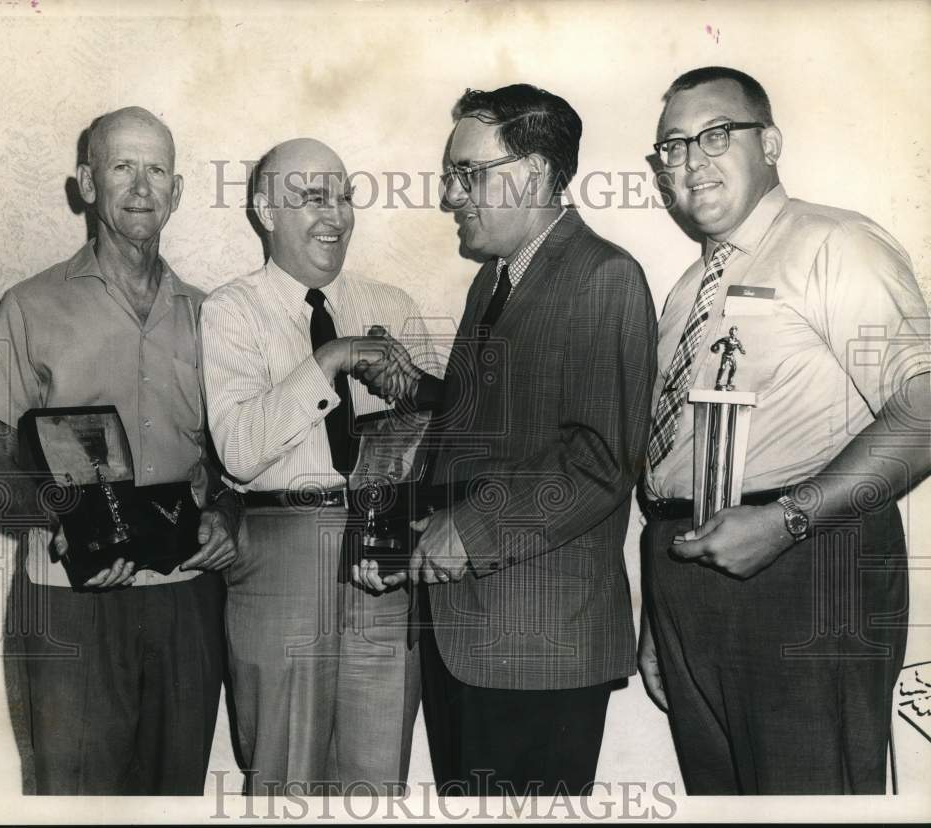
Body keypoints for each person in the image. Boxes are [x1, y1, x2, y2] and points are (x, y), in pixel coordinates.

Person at [355, 84, 658, 795]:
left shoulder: (606, 278)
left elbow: (600, 460)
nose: (449, 195)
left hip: (536, 649)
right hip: (464, 639)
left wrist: (464, 535)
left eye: (467, 173)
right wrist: (423, 391)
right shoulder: (491, 283)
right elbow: (506, 423)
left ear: (531, 173)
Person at [637, 66, 931, 794]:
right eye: (671, 147)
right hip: (690, 576)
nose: (689, 160)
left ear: (769, 142)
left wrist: (786, 522)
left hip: (806, 567)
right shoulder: (688, 289)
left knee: (812, 800)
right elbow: (673, 464)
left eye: (713, 135)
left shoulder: (834, 243)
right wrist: (661, 603)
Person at [0, 107, 240, 795]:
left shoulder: (215, 318)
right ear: (87, 183)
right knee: (74, 804)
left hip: (185, 603)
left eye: (157, 170)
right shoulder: (27, 308)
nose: (141, 186)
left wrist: (229, 516)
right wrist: (72, 522)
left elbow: (240, 463)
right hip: (70, 603)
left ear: (177, 192)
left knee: (173, 799)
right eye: (122, 166)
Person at [198, 138, 440, 794]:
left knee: (377, 778)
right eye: (311, 197)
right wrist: (330, 359)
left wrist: (422, 391)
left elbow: (435, 441)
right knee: (284, 780)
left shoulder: (392, 304)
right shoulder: (230, 311)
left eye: (343, 195)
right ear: (265, 212)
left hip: (385, 558)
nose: (335, 213)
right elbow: (241, 451)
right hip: (281, 551)